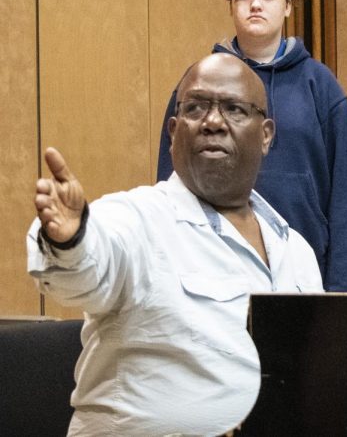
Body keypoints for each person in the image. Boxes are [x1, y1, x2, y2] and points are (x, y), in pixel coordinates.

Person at [27, 54, 324, 436]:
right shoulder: (138, 218)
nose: (212, 122)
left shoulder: (295, 250)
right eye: (196, 108)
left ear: (265, 135)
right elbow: (88, 268)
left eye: (234, 109)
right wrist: (71, 239)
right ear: (173, 130)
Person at [157, 0, 347, 291]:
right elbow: (170, 180)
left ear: (287, 6)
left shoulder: (321, 86)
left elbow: (346, 199)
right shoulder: (199, 82)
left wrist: (343, 295)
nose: (256, 5)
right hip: (210, 272)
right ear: (231, 5)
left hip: (303, 272)